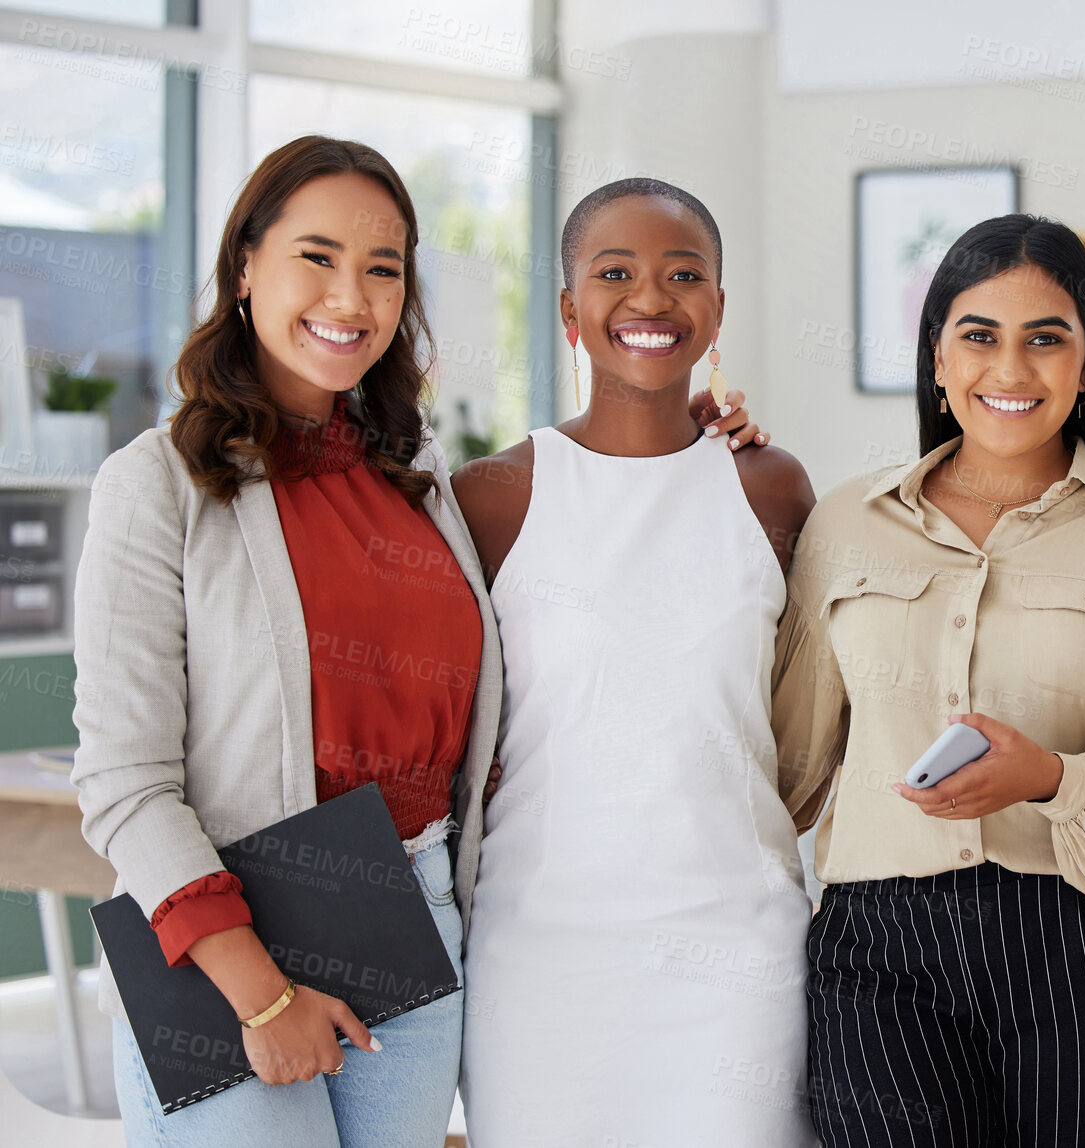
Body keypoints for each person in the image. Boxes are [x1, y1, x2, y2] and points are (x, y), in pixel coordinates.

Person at [70, 138, 761, 1148]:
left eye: (383, 267)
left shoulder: (419, 479)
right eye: (317, 256)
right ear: (245, 265)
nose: (351, 295)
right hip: (228, 941)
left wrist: (678, 431)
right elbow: (124, 781)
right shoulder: (156, 483)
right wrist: (259, 994)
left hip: (412, 918)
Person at [772, 214, 1085, 1147]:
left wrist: (1055, 780)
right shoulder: (845, 526)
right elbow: (784, 766)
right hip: (877, 950)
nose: (1010, 370)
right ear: (936, 361)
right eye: (978, 336)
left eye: (1045, 339)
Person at [453, 178, 818, 1147]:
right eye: (614, 273)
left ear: (717, 310)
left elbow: (799, 711)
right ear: (569, 309)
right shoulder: (490, 496)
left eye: (682, 275)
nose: (650, 300)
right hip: (539, 954)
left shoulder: (770, 485)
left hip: (736, 950)